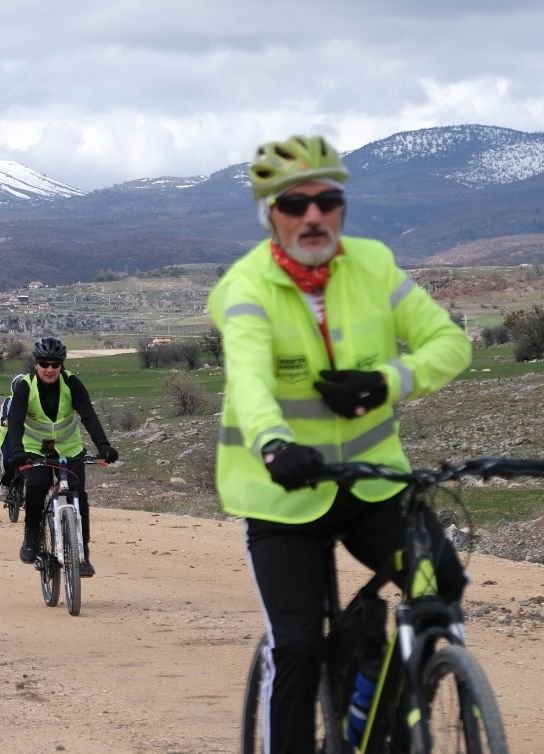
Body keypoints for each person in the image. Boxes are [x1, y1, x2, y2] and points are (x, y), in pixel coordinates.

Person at [209, 134, 471, 754]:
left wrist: (386, 383)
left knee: (439, 589)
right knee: (297, 647)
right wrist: (274, 444)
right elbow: (248, 380)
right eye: (294, 205)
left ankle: (386, 716)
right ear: (269, 214)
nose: (313, 216)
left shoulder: (374, 265)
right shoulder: (246, 288)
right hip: (282, 497)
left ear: (343, 207)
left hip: (374, 485)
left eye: (327, 201)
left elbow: (450, 344)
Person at [3, 337, 119, 578]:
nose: (49, 369)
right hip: (34, 447)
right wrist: (16, 451)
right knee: (37, 486)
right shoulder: (26, 386)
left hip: (69, 447)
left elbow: (88, 415)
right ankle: (32, 535)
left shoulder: (72, 384)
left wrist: (104, 445)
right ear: (36, 364)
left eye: (55, 364)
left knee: (79, 496)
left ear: (61, 365)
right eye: (44, 364)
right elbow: (15, 420)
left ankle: (82, 554)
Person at [0, 375, 26, 499]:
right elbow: (3, 418)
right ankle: (5, 483)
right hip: (8, 436)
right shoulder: (8, 401)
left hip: (27, 436)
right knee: (8, 460)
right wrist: (7, 421)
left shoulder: (33, 402)